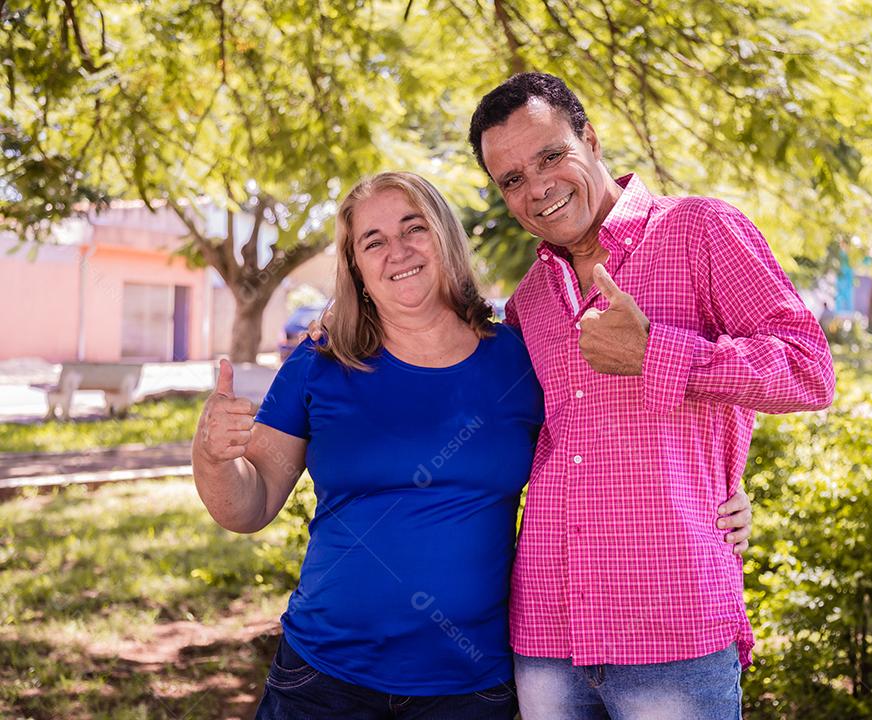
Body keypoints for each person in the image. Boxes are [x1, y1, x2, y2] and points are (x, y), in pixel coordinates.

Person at [192, 169, 758, 718]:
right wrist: (213, 457)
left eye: (414, 227)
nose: (399, 250)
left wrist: (721, 491)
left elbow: (598, 441)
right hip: (322, 679)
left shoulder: (516, 353)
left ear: (444, 235)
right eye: (373, 241)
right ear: (356, 267)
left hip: (470, 687)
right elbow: (251, 503)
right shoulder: (321, 363)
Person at [468, 73, 836, 719]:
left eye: (551, 156)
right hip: (548, 634)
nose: (538, 189)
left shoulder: (701, 231)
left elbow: (809, 371)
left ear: (591, 138)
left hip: (672, 629)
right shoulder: (529, 300)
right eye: (512, 179)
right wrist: (357, 323)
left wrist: (656, 354)